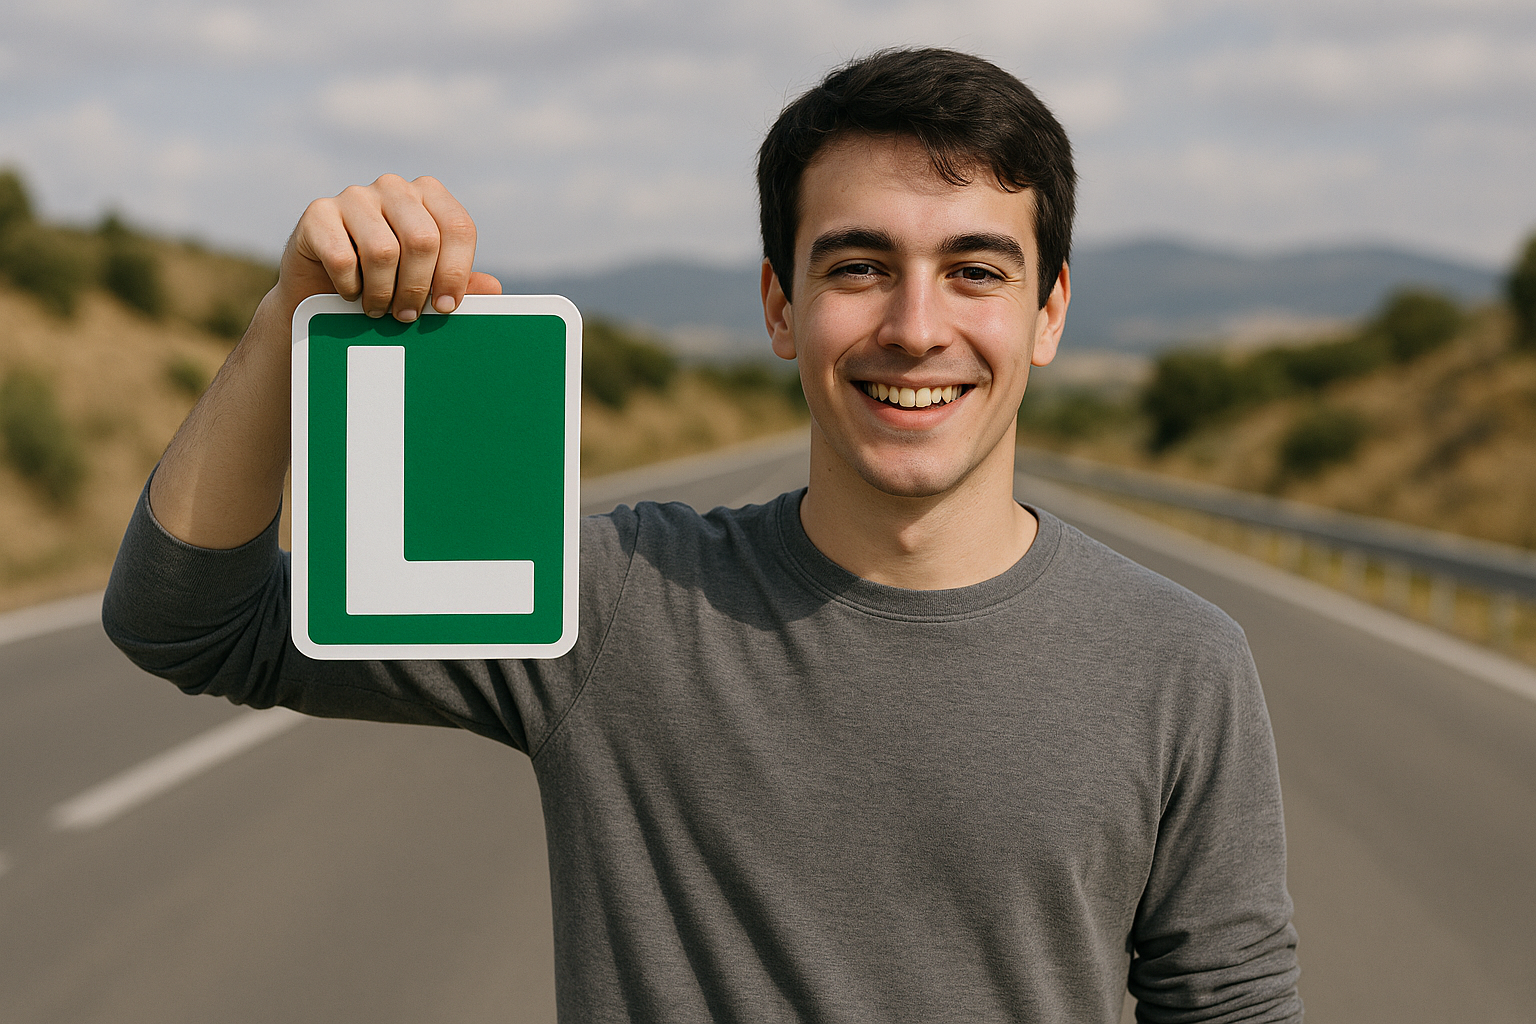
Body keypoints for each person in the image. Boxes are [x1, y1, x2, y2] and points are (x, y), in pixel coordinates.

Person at [104, 47, 1302, 1023]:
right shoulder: (613, 599)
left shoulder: (1179, 660)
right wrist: (288, 316)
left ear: (1049, 315)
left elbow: (1229, 1006)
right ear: (782, 306)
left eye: (976, 269)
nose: (916, 324)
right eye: (859, 265)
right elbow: (190, 620)